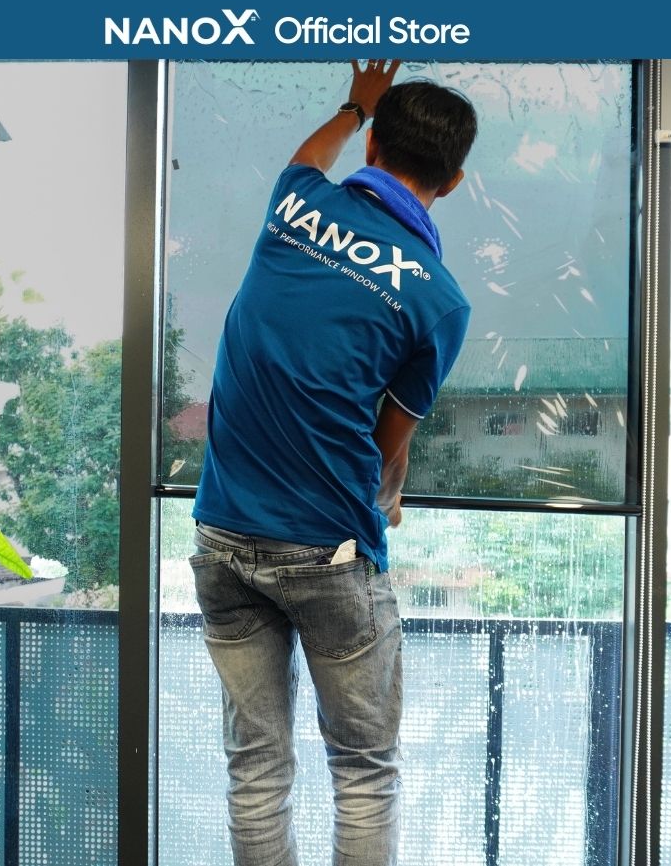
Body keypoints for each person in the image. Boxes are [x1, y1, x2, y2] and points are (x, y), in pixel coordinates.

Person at [189, 60, 478, 866]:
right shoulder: (438, 298)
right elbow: (389, 443)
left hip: (222, 535)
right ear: (452, 183)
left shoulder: (298, 202)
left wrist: (355, 104)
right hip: (328, 550)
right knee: (362, 772)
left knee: (254, 766)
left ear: (374, 146)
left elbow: (311, 154)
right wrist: (384, 502)